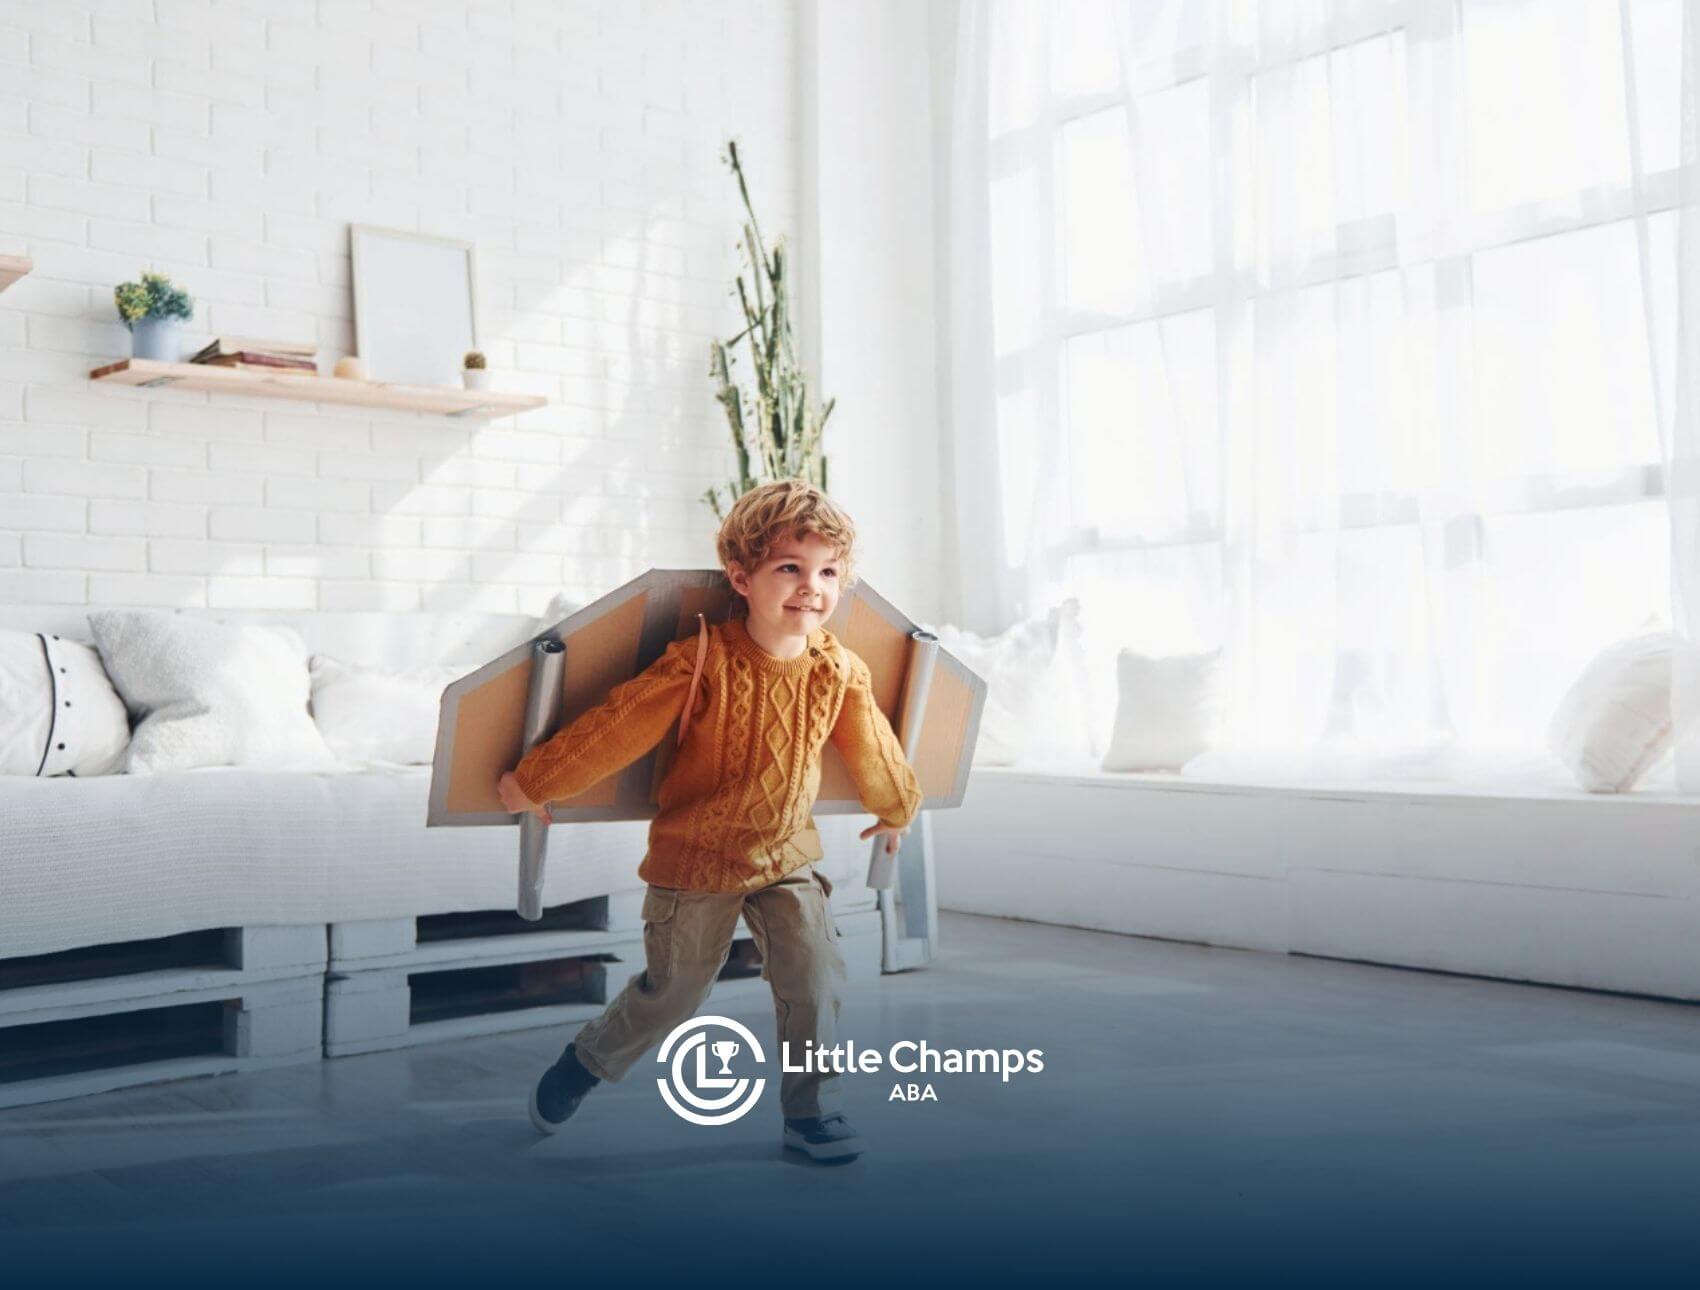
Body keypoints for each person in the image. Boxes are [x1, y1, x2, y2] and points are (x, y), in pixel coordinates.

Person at [496, 479, 923, 1163]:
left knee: (815, 976)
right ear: (741, 576)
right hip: (695, 858)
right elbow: (617, 728)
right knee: (676, 992)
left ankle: (811, 1112)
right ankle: (585, 1062)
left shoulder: (838, 671)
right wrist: (533, 782)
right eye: (790, 567)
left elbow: (873, 747)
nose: (811, 587)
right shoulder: (703, 661)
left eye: (828, 573)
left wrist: (898, 809)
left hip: (786, 854)